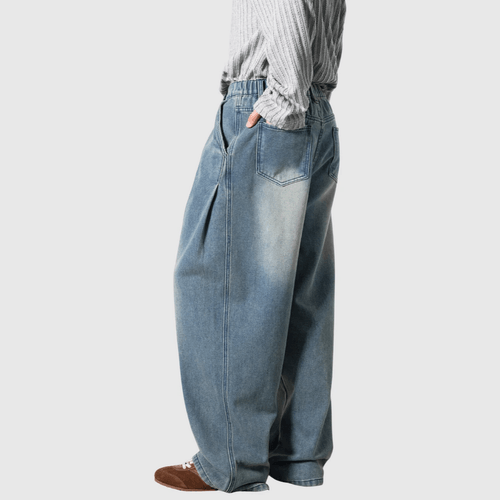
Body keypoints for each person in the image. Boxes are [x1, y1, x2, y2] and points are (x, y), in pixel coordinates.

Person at [155, 0, 347, 493]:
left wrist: (280, 99)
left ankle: (231, 461)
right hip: (316, 114)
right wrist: (299, 97)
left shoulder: (276, 101)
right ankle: (299, 454)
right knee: (300, 292)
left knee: (221, 283)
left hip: (269, 106)